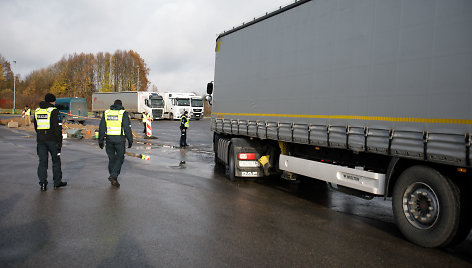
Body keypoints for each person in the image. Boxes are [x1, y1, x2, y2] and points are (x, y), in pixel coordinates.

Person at [33, 93, 67, 191]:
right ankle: (57, 182)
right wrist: (59, 142)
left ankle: (43, 184)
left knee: (42, 162)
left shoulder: (37, 111)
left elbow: (36, 126)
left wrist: (41, 134)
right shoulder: (54, 111)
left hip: (40, 140)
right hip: (52, 140)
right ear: (53, 101)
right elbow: (58, 128)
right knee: (56, 161)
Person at [98, 99, 133, 187]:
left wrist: (100, 140)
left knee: (111, 159)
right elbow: (127, 128)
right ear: (121, 105)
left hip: (109, 140)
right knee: (120, 158)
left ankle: (113, 179)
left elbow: (102, 127)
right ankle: (113, 176)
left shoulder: (106, 113)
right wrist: (130, 140)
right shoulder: (122, 113)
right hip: (120, 140)